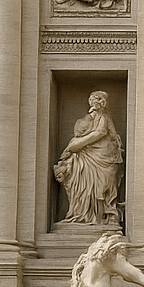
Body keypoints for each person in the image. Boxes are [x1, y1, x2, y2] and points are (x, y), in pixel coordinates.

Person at [53, 91, 122, 225]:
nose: (94, 103)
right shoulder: (88, 119)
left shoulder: (104, 118)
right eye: (92, 100)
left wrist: (78, 144)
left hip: (102, 157)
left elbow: (101, 132)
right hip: (86, 156)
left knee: (100, 186)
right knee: (81, 184)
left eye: (96, 100)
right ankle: (80, 214)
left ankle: (101, 216)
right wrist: (76, 145)